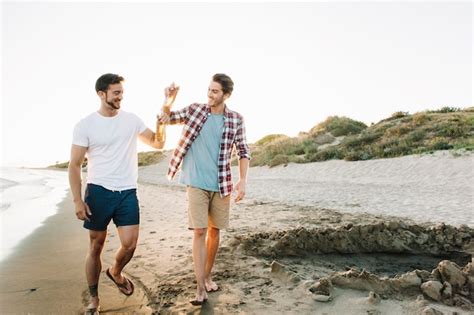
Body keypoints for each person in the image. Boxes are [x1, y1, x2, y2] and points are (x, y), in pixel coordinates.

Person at [68, 73, 177, 314]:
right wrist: (77, 200)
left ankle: (115, 271)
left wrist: (165, 111)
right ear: (101, 94)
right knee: (96, 245)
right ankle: (94, 299)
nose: (120, 97)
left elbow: (158, 143)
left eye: (122, 93)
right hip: (98, 192)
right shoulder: (85, 125)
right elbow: (74, 164)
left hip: (127, 191)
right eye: (116, 93)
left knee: (129, 244)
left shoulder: (131, 120)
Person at [159, 73, 250, 305]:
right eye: (209, 90)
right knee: (199, 231)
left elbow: (243, 151)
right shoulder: (194, 110)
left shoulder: (236, 119)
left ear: (226, 95)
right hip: (195, 181)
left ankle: (207, 275)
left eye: (215, 91)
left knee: (214, 231)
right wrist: (168, 101)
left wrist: (243, 180)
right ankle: (200, 288)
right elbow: (165, 119)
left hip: (221, 183)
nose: (210, 95)